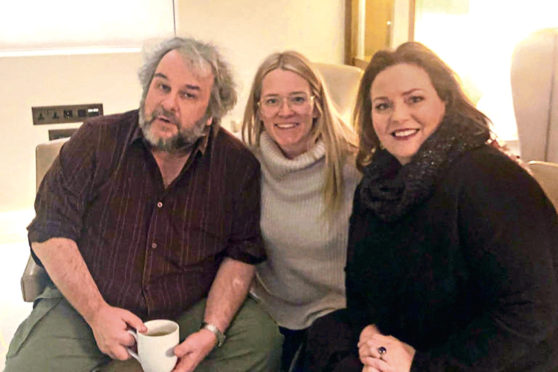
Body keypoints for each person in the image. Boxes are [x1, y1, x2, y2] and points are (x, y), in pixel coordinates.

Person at [5, 37, 282, 372]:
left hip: (187, 309)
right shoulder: (96, 140)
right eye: (161, 86)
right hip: (88, 301)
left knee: (260, 339)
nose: (167, 103)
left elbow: (242, 255)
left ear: (211, 115)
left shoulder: (237, 166)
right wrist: (96, 313)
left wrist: (211, 331)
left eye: (188, 94)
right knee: (27, 367)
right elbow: (49, 231)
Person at [305, 41, 558, 371]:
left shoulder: (492, 179)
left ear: (446, 101)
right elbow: (360, 290)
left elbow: (533, 313)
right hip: (403, 344)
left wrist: (419, 365)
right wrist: (372, 341)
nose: (398, 116)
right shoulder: (377, 183)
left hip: (484, 358)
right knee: (323, 334)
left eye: (415, 99)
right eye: (382, 105)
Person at [241, 51, 361, 371]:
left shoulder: (354, 166)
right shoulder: (244, 166)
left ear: (317, 103)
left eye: (297, 98)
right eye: (272, 101)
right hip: (267, 312)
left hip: (337, 315)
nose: (285, 112)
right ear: (258, 109)